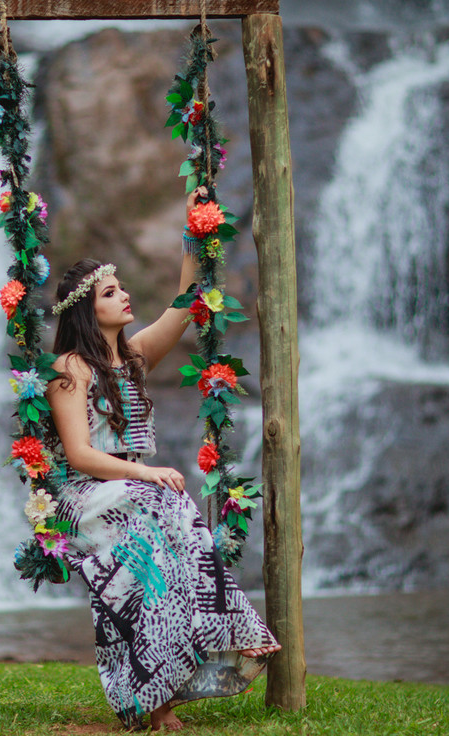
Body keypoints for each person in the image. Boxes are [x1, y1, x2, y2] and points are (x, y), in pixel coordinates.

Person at [45, 187, 281, 731]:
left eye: (122, 287)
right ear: (87, 307)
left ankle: (209, 655)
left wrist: (193, 229)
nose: (124, 296)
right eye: (111, 292)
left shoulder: (133, 355)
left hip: (135, 492)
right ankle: (157, 693)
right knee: (165, 512)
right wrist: (145, 471)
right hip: (90, 493)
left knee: (173, 562)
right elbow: (80, 455)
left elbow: (186, 300)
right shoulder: (68, 370)